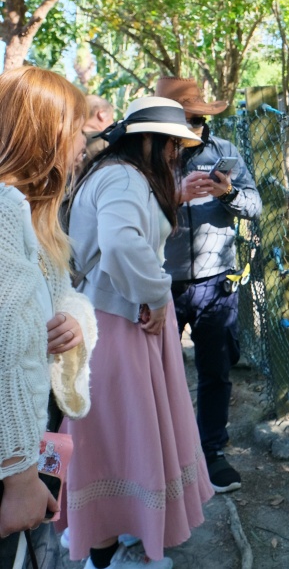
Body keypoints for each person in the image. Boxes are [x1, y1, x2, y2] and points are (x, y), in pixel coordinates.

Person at [62, 96, 213, 569]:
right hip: (117, 325)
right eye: (171, 143)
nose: (175, 153)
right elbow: (121, 244)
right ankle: (105, 553)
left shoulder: (117, 174)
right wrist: (155, 293)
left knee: (125, 437)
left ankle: (122, 538)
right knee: (117, 439)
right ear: (147, 139)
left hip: (118, 318)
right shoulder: (124, 178)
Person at [0, 67, 96, 566]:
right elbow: (8, 350)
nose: (85, 144)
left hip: (34, 443)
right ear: (47, 134)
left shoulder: (32, 213)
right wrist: (20, 479)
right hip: (12, 466)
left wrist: (75, 322)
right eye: (78, 130)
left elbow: (64, 296)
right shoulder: (3, 212)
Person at [156, 77, 262, 494]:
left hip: (215, 283)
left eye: (200, 119)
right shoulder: (147, 159)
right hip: (159, 283)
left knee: (216, 370)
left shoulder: (224, 152)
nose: (196, 127)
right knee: (156, 375)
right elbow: (130, 213)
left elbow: (255, 206)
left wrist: (229, 192)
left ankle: (212, 452)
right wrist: (173, 195)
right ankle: (160, 457)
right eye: (188, 119)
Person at [82, 95, 115, 166]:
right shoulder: (105, 142)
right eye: (112, 118)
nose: (112, 122)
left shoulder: (67, 138)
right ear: (102, 114)